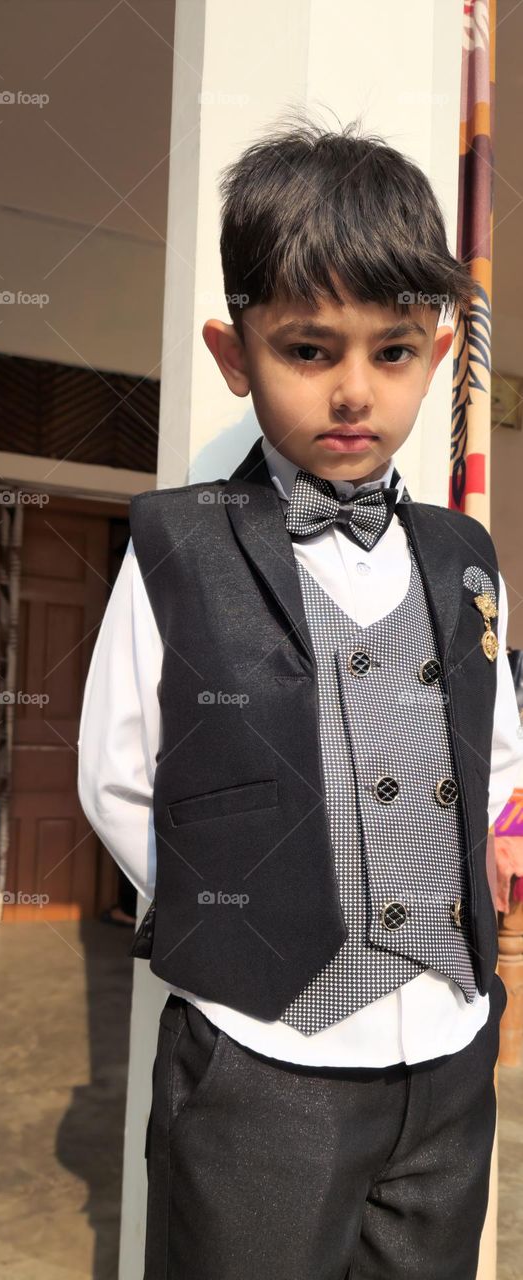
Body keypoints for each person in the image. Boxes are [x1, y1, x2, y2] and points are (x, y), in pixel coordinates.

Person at [77, 114, 523, 1280]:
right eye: (309, 350)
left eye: (391, 351)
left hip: (446, 1052)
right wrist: (238, 913)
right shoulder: (178, 549)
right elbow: (117, 776)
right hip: (262, 1056)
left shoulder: (462, 556)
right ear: (236, 356)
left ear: (435, 352)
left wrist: (492, 843)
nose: (353, 391)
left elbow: (493, 747)